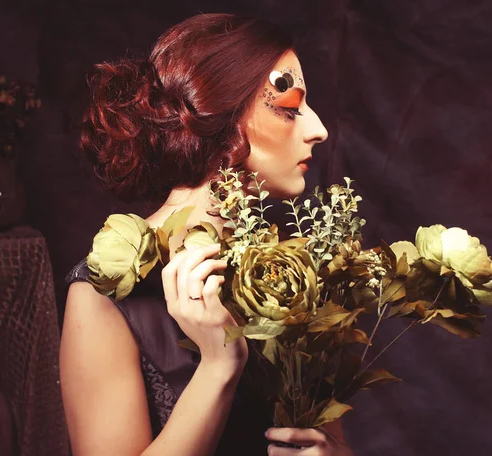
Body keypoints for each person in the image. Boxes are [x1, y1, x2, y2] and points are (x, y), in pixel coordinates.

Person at [60, 13, 354, 456]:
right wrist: (220, 365)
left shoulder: (290, 276)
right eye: (291, 106)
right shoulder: (103, 293)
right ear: (224, 114)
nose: (318, 129)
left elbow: (329, 438)